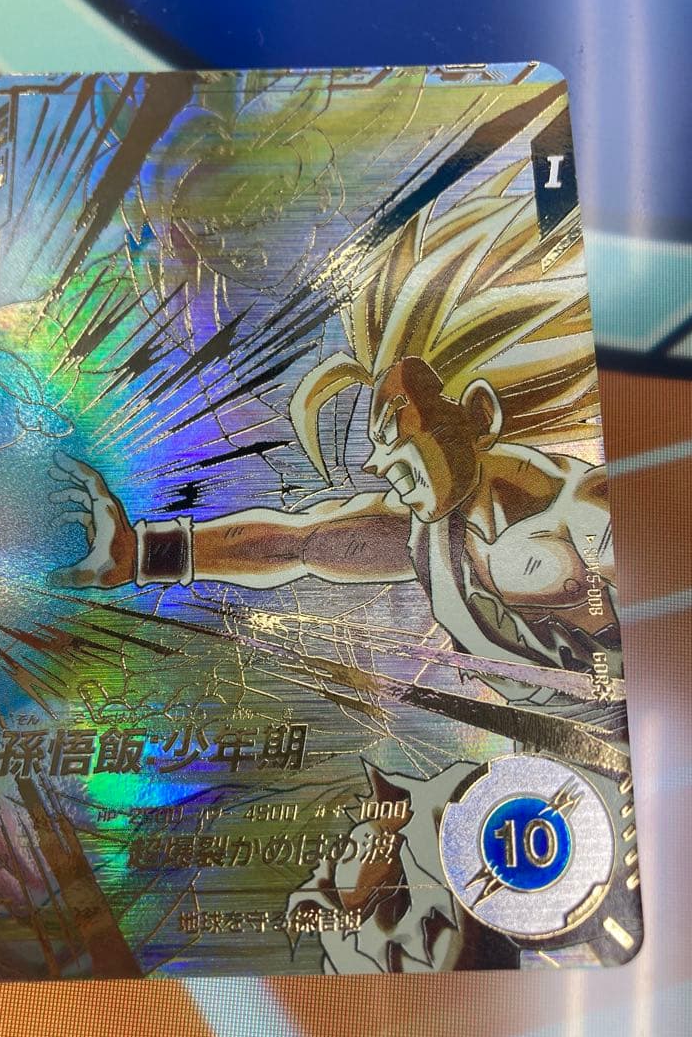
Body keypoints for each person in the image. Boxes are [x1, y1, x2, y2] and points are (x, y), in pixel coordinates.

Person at [49, 163, 620, 696]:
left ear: (478, 416)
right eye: (379, 448)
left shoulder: (598, 512)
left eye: (396, 437)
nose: (379, 467)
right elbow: (300, 543)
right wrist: (141, 552)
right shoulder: (433, 535)